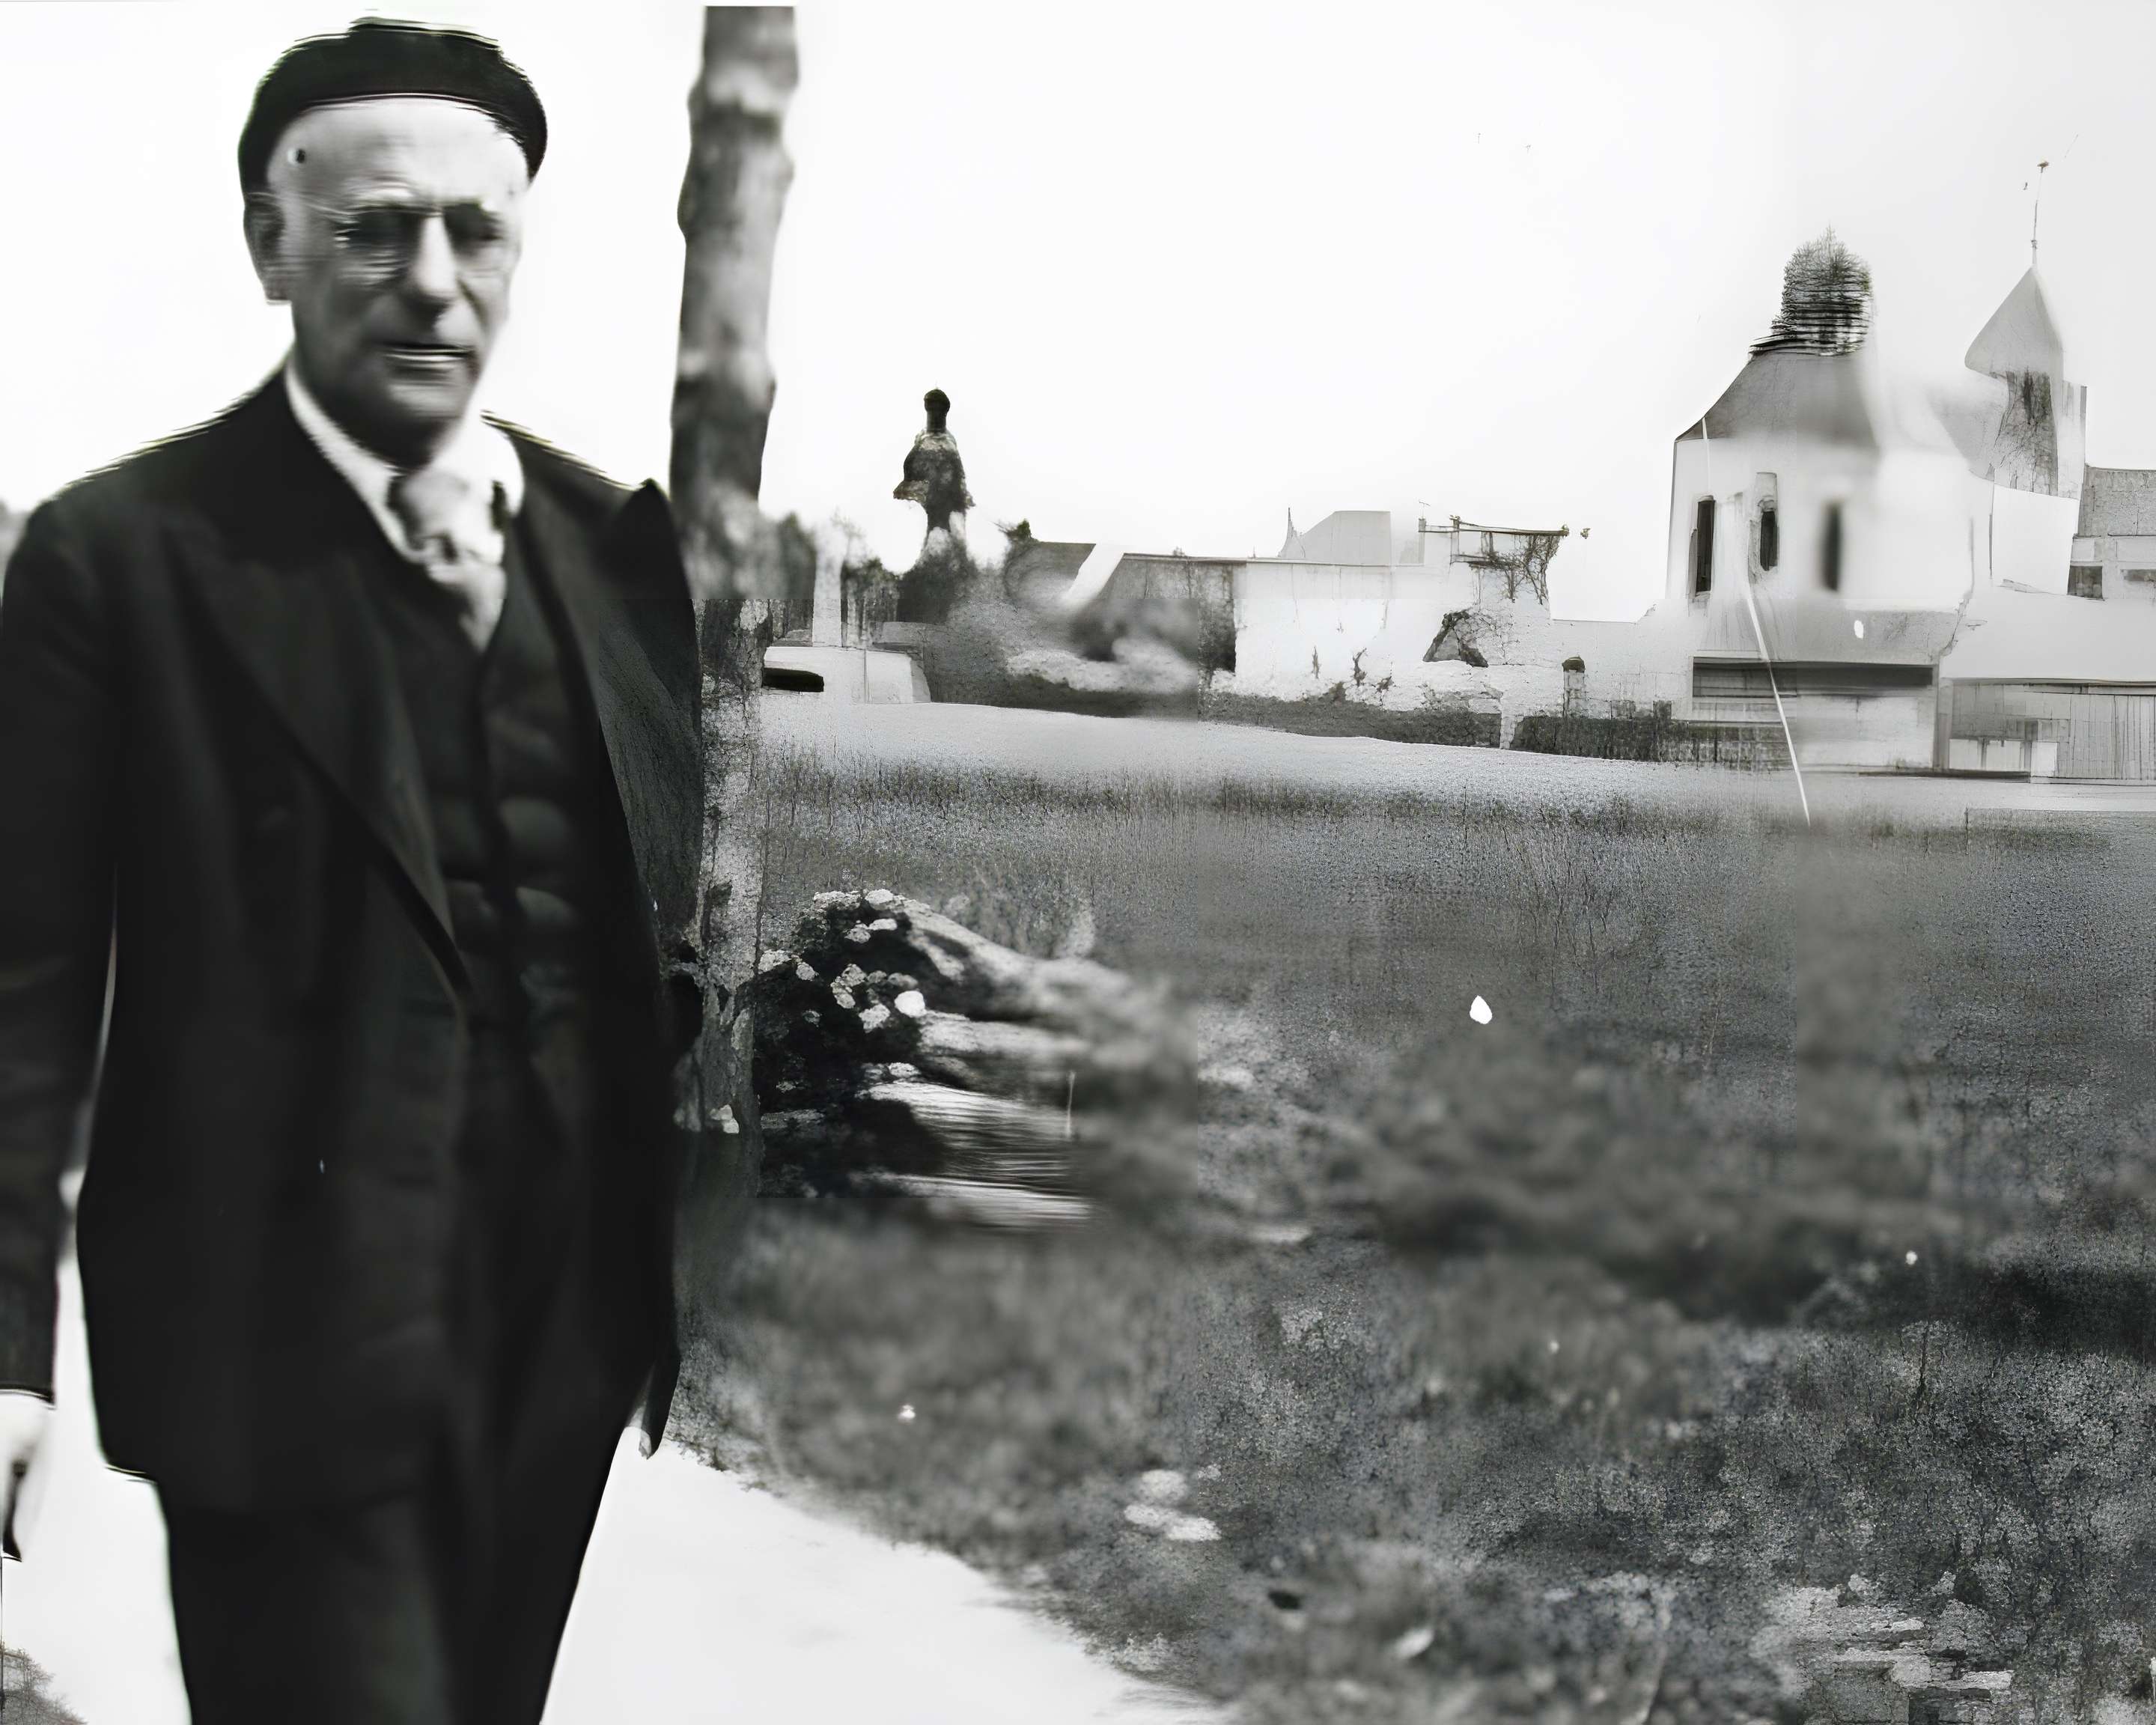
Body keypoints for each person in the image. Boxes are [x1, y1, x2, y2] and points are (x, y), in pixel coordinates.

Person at [0, 19, 704, 1722]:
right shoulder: (126, 560)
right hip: (280, 1343)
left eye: (479, 233)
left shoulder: (610, 551)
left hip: (555, 1335)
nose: (433, 281)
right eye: (374, 229)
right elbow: (18, 994)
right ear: (271, 244)